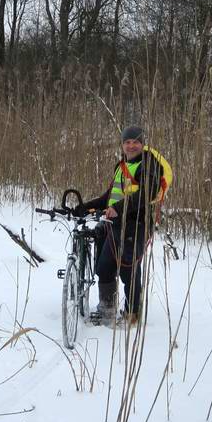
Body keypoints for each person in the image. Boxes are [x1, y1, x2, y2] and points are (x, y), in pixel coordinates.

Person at [73, 125, 162, 325]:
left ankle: (133, 315)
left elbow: (145, 195)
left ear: (143, 144)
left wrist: (119, 209)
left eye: (136, 142)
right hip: (112, 223)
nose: (131, 146)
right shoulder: (121, 165)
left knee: (128, 269)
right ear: (122, 145)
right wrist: (85, 206)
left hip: (135, 225)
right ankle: (107, 308)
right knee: (104, 268)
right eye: (127, 142)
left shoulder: (149, 165)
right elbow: (110, 196)